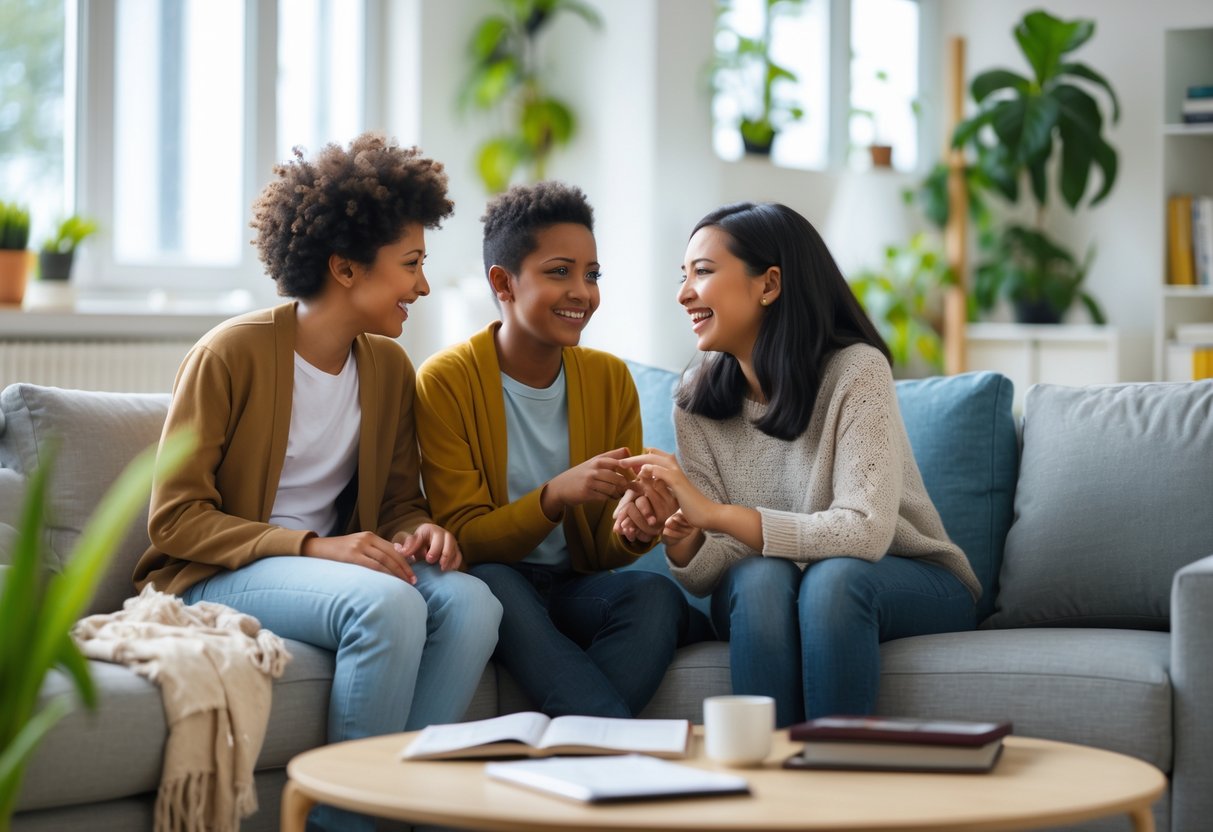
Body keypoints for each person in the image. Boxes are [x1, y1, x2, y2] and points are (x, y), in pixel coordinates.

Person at [133, 134, 502, 828]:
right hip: (217, 572)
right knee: (387, 606)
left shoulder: (389, 368)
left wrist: (414, 530)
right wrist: (311, 546)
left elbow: (396, 501)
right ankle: (341, 820)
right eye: (411, 264)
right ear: (344, 268)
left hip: (334, 570)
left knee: (476, 604)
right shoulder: (228, 354)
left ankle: (402, 809)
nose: (422, 285)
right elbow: (175, 519)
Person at [616, 201, 979, 728]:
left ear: (769, 284)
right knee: (760, 580)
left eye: (704, 272)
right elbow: (718, 565)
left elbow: (865, 533)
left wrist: (714, 513)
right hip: (786, 583)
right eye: (683, 275)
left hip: (907, 579)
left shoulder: (856, 371)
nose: (684, 292)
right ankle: (769, 794)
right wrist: (684, 534)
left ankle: (834, 788)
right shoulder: (695, 403)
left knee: (832, 582)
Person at [414, 181, 688, 718]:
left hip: (574, 589)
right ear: (503, 282)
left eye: (592, 275)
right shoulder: (446, 380)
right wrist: (554, 497)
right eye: (559, 272)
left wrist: (635, 529)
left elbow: (605, 551)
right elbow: (466, 537)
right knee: (491, 584)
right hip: (499, 585)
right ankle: (608, 740)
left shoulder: (610, 379)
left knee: (656, 597)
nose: (583, 292)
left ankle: (577, 741)